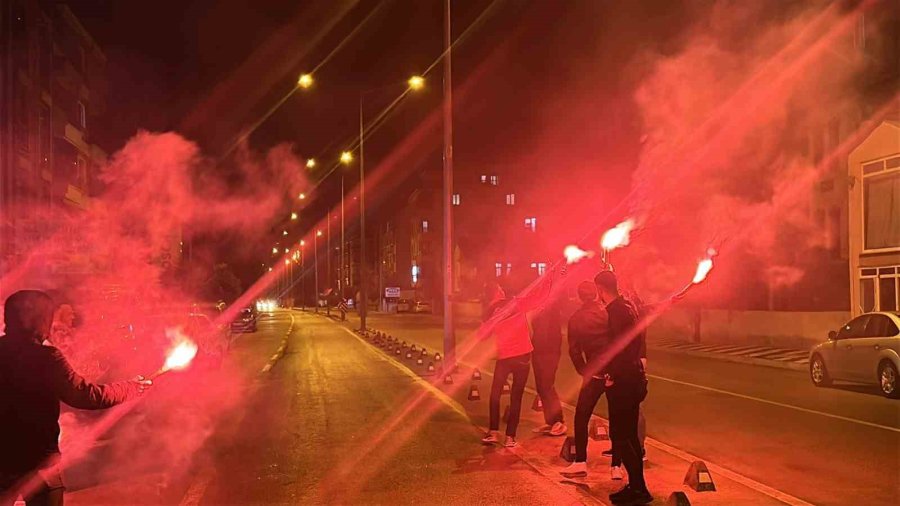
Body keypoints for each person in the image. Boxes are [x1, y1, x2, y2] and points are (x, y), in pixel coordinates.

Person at [0, 290, 151, 506]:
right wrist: (131, 388)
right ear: (39, 320)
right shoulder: (47, 358)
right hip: (39, 463)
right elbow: (85, 396)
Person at [479, 268, 558, 448]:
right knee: (516, 397)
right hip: (522, 357)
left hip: (504, 357)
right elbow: (540, 298)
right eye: (499, 288)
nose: (502, 290)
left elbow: (482, 336)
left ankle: (493, 432)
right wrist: (549, 278)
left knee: (495, 394)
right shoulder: (513, 303)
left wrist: (488, 325)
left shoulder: (489, 311)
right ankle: (510, 437)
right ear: (497, 292)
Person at [595, 271, 652, 505]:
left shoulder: (617, 311)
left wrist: (611, 376)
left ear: (600, 288)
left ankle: (638, 489)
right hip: (632, 378)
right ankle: (638, 486)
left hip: (624, 382)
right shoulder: (628, 307)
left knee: (621, 435)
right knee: (628, 435)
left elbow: (620, 348)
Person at [560, 280, 610, 478]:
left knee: (581, 416)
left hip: (593, 373)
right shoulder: (608, 313)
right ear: (596, 294)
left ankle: (580, 461)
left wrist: (584, 371)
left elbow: (574, 351)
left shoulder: (576, 318)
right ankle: (617, 465)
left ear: (580, 296)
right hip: (614, 371)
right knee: (619, 417)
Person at [529, 298, 567, 437]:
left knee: (547, 385)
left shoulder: (552, 308)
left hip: (549, 352)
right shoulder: (539, 309)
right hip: (538, 350)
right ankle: (551, 421)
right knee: (541, 387)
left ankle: (559, 421)